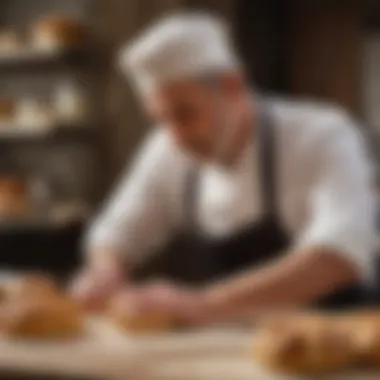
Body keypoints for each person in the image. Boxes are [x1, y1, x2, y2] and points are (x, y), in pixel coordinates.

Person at [71, 12, 379, 325]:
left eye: (186, 114)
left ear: (232, 86)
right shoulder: (167, 146)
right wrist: (105, 271)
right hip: (232, 350)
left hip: (340, 344)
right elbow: (115, 231)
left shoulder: (322, 134)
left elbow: (340, 254)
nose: (176, 138)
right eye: (162, 120)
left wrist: (202, 305)